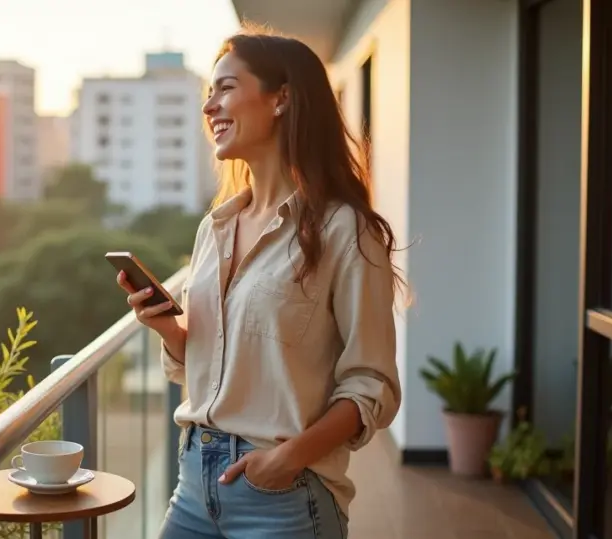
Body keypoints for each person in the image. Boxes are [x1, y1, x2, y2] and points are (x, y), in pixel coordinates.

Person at [116, 25, 405, 539]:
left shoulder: (345, 230)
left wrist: (289, 458)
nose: (209, 106)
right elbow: (216, 366)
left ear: (282, 99)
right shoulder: (216, 226)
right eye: (209, 92)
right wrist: (168, 330)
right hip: (193, 481)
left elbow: (371, 385)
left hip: (283, 494)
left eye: (225, 88)